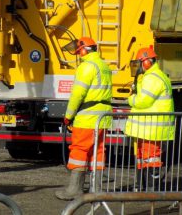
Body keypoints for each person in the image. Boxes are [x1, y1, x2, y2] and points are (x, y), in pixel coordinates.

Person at [55, 37, 112, 200]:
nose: (79, 54)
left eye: (79, 51)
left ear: (86, 50)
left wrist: (68, 116)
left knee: (79, 150)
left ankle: (74, 189)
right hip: (103, 117)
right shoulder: (104, 65)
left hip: (87, 118)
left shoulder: (86, 66)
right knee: (98, 151)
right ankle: (97, 189)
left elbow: (77, 94)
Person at [124, 47, 175, 191]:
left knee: (151, 158)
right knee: (143, 157)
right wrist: (139, 81)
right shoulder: (153, 76)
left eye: (140, 63)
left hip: (151, 128)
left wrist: (130, 99)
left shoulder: (153, 78)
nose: (139, 66)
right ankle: (143, 187)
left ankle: (151, 190)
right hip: (147, 128)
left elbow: (143, 101)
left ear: (146, 62)